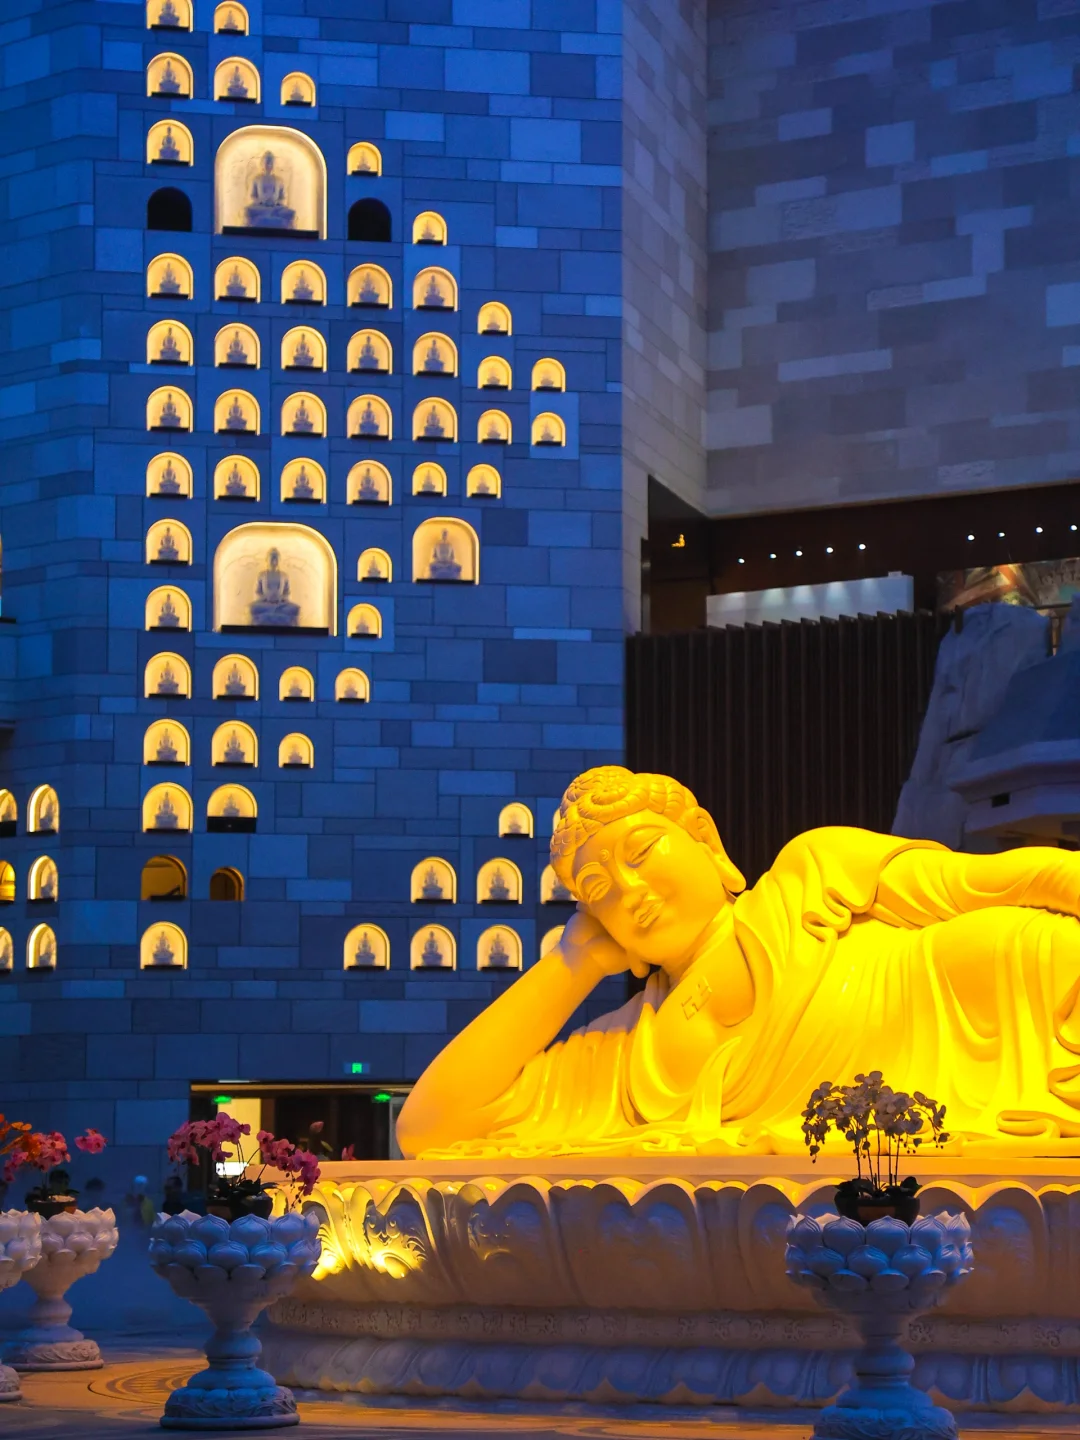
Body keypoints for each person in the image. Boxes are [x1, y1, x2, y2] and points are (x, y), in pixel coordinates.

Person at [399, 765, 1080, 1158]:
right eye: (599, 890)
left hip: (1020, 993)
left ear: (705, 841)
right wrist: (570, 964)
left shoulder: (813, 874)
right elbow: (430, 1127)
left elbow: (1001, 880)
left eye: (642, 853)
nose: (629, 890)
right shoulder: (625, 1056)